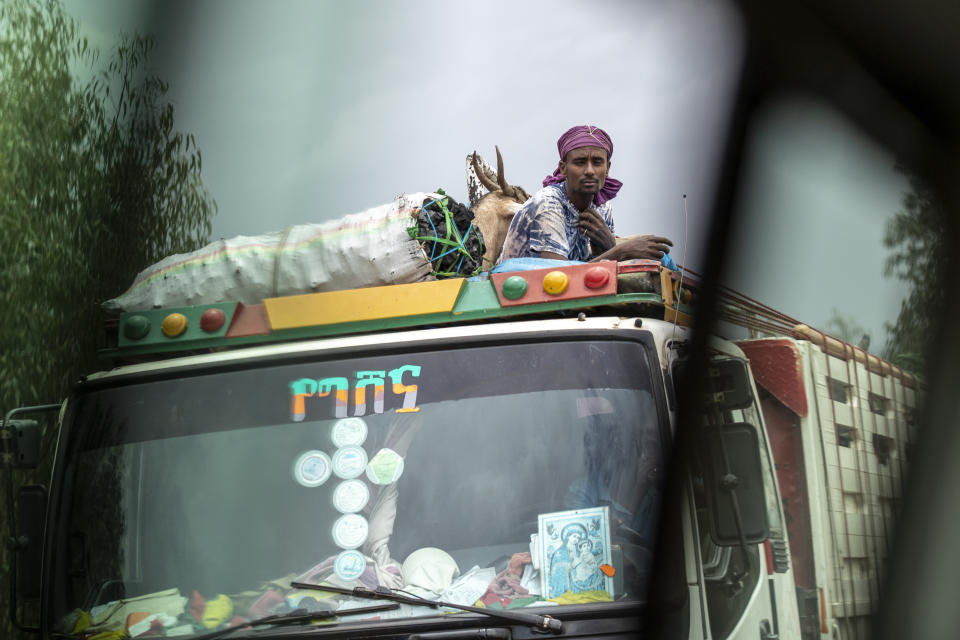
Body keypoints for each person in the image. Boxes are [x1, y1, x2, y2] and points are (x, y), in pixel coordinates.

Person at [497, 125, 674, 264]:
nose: (589, 171)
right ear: (563, 168)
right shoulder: (548, 204)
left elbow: (600, 265)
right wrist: (621, 250)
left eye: (597, 162)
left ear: (607, 168)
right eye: (580, 162)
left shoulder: (602, 207)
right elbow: (556, 281)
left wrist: (608, 244)